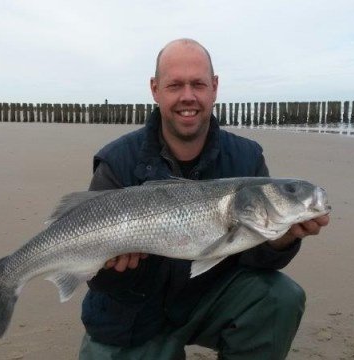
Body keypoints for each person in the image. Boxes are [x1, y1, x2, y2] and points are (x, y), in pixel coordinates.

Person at [79, 38, 329, 360]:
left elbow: (253, 261)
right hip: (133, 312)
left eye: (198, 84)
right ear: (155, 90)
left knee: (280, 297)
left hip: (208, 299)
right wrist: (115, 268)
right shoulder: (117, 162)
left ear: (214, 87)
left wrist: (279, 242)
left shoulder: (247, 158)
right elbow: (98, 279)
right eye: (175, 85)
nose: (188, 96)